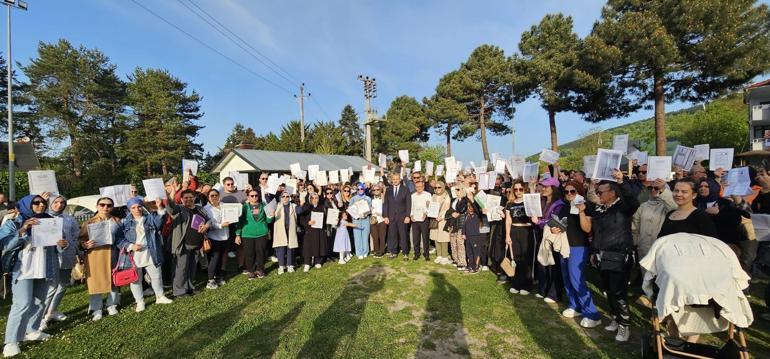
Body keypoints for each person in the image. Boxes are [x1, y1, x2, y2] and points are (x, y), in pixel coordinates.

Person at [2, 195, 66, 357]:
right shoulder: (13, 222)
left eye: (43, 202)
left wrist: (62, 245)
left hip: (44, 267)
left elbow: (57, 246)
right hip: (23, 269)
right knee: (22, 304)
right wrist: (23, 229)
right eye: (36, 203)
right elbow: (6, 245)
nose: (40, 205)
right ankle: (11, 341)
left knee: (40, 302)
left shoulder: (50, 221)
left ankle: (31, 330)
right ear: (25, 205)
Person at [584, 170, 640, 342]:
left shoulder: (623, 207)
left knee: (619, 291)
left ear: (612, 193)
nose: (598, 194)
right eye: (598, 192)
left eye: (601, 192)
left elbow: (633, 200)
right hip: (602, 255)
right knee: (608, 290)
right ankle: (615, 318)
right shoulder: (600, 209)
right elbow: (596, 231)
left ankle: (625, 325)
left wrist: (622, 181)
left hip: (619, 256)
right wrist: (594, 252)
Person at [555, 182, 602, 328]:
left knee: (576, 279)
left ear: (579, 191)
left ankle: (592, 313)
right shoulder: (563, 207)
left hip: (578, 247)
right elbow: (558, 225)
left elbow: (587, 228)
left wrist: (581, 211)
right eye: (566, 191)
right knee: (566, 278)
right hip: (564, 246)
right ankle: (575, 305)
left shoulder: (586, 206)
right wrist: (555, 229)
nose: (569, 194)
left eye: (572, 191)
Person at [118, 197, 174, 312]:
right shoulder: (124, 222)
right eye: (133, 207)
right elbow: (119, 240)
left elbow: (159, 222)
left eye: (139, 206)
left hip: (151, 251)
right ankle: (139, 301)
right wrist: (131, 246)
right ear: (129, 209)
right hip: (134, 254)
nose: (137, 209)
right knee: (135, 279)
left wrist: (159, 207)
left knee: (156, 275)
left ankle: (160, 296)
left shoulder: (149, 218)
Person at [40, 194, 80, 331]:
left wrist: (75, 250)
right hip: (51, 256)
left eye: (62, 202)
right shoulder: (43, 217)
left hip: (67, 255)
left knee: (63, 285)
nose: (59, 205)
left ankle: (52, 311)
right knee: (51, 287)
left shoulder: (68, 219)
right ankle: (40, 317)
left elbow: (75, 235)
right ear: (50, 203)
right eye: (56, 202)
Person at [79, 197, 122, 321]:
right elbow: (81, 239)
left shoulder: (117, 221)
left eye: (109, 205)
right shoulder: (89, 222)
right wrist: (84, 244)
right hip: (95, 254)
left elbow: (121, 236)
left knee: (113, 279)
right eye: (102, 205)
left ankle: (111, 304)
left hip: (113, 252)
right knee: (95, 281)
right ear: (97, 206)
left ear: (112, 207)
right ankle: (96, 308)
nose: (105, 207)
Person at [166, 187, 210, 298]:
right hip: (183, 245)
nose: (188, 199)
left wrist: (207, 225)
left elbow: (208, 219)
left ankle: (190, 287)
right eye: (186, 198)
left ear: (194, 198)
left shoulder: (200, 209)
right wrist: (172, 194)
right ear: (181, 199)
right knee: (181, 268)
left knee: (192, 267)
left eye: (191, 197)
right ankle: (179, 291)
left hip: (197, 244)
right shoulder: (179, 209)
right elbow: (170, 207)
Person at [531, 177, 565, 304]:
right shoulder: (544, 201)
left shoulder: (560, 204)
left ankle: (554, 293)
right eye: (543, 186)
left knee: (553, 266)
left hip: (553, 239)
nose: (543, 189)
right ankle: (543, 289)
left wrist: (539, 222)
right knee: (543, 263)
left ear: (554, 189)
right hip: (543, 237)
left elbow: (556, 222)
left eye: (546, 187)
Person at [631, 179, 676, 259]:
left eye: (656, 188)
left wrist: (662, 190)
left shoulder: (667, 204)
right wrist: (636, 244)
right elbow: (635, 228)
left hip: (662, 249)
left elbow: (674, 208)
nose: (653, 190)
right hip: (644, 249)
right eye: (650, 188)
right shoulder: (642, 206)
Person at [235, 188, 274, 279]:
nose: (254, 197)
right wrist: (237, 234)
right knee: (249, 253)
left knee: (261, 252)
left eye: (256, 195)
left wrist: (271, 216)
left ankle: (260, 270)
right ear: (248, 197)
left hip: (262, 233)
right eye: (252, 196)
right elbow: (240, 221)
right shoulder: (244, 207)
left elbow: (268, 221)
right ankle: (251, 271)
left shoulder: (264, 205)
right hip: (248, 233)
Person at [505, 180, 534, 295]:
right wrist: (507, 235)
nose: (518, 192)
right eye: (516, 189)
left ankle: (526, 285)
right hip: (514, 230)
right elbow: (508, 220)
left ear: (524, 189)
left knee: (526, 258)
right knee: (516, 258)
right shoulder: (510, 203)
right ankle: (516, 283)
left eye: (520, 189)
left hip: (526, 230)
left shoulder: (529, 201)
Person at [202, 189, 230, 289]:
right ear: (208, 197)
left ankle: (220, 276)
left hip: (226, 236)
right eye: (212, 195)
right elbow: (209, 223)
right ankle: (210, 280)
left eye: (216, 195)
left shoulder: (224, 205)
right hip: (214, 237)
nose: (214, 197)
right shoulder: (205, 209)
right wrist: (221, 225)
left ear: (219, 196)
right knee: (214, 258)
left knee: (223, 258)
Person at [383, 172, 412, 260]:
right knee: (392, 235)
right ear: (392, 180)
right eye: (393, 179)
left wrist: (407, 216)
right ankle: (393, 252)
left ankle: (405, 253)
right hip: (391, 217)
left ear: (400, 180)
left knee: (403, 235)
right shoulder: (388, 190)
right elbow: (386, 204)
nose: (395, 181)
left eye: (396, 179)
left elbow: (408, 203)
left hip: (402, 216)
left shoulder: (405, 189)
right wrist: (385, 216)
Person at [299, 193, 328, 272]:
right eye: (312, 198)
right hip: (309, 230)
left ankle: (317, 261)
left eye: (316, 198)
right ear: (309, 199)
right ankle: (307, 263)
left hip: (319, 230)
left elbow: (325, 219)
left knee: (319, 244)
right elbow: (301, 219)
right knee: (308, 247)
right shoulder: (306, 207)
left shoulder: (322, 207)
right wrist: (308, 223)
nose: (314, 200)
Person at [272, 191, 299, 274]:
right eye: (283, 196)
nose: (285, 198)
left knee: (290, 247)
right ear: (281, 198)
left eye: (287, 196)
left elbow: (301, 210)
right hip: (280, 230)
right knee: (281, 248)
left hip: (290, 229)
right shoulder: (276, 206)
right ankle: (281, 266)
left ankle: (290, 265)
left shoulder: (294, 206)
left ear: (290, 198)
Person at [445, 185, 468, 270]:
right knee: (453, 242)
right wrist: (452, 214)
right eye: (455, 190)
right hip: (453, 223)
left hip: (461, 224)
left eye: (458, 189)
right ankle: (455, 259)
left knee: (460, 243)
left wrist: (460, 199)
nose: (456, 191)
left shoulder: (465, 200)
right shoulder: (454, 200)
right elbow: (449, 210)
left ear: (462, 190)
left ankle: (462, 262)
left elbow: (461, 209)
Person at [430, 181, 451, 265]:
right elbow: (432, 207)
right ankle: (439, 255)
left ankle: (445, 256)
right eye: (436, 187)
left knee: (443, 238)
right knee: (436, 237)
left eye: (439, 187)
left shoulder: (446, 196)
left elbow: (447, 208)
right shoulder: (433, 196)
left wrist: (441, 217)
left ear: (443, 187)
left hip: (443, 220)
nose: (437, 189)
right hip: (435, 219)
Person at [410, 180, 432, 261]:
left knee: (425, 238)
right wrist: (411, 215)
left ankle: (426, 254)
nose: (419, 188)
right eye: (417, 187)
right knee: (416, 238)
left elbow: (430, 206)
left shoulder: (428, 195)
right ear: (415, 187)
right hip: (415, 220)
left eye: (420, 186)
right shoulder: (413, 196)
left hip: (424, 219)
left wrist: (426, 213)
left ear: (423, 186)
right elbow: (411, 206)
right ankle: (416, 254)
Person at [349, 183, 372, 259]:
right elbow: (350, 210)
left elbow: (370, 209)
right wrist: (355, 214)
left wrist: (366, 213)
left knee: (365, 236)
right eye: (358, 189)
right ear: (357, 190)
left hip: (365, 219)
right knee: (357, 237)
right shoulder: (353, 198)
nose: (360, 190)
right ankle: (359, 253)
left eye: (361, 189)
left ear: (364, 189)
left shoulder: (368, 198)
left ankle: (365, 252)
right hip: (357, 220)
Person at [461, 201, 484, 274]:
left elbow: (477, 208)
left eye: (471, 208)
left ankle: (476, 267)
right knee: (469, 252)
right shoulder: (467, 216)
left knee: (475, 252)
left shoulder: (477, 215)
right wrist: (463, 233)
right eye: (469, 208)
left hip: (475, 237)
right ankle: (470, 266)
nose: (470, 209)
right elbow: (464, 225)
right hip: (467, 237)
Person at [369, 184, 388, 257]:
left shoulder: (384, 198)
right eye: (374, 190)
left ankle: (382, 251)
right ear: (372, 191)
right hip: (373, 219)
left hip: (382, 219)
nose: (376, 191)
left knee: (382, 236)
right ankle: (376, 250)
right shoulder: (370, 199)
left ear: (380, 190)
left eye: (378, 189)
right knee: (375, 236)